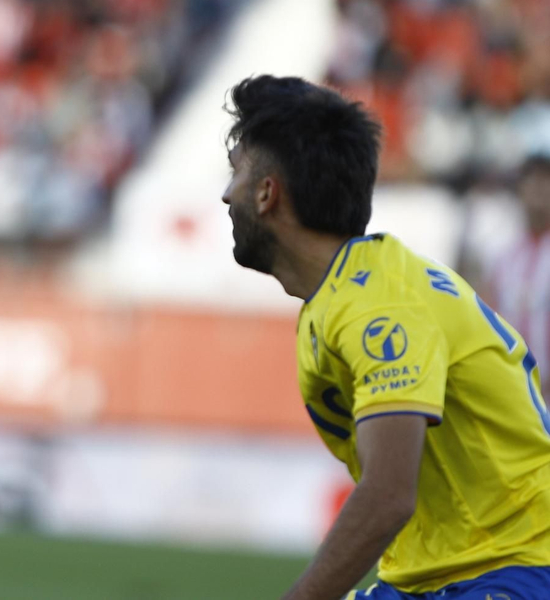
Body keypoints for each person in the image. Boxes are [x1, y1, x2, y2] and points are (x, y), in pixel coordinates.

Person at [222, 74, 550, 600]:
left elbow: (389, 494)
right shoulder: (337, 299)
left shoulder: (378, 307)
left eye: (235, 173)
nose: (224, 194)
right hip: (437, 571)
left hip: (518, 565)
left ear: (267, 193)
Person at [489, 154, 550, 384]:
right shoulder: (503, 257)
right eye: (532, 182)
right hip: (517, 394)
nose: (539, 190)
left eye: (546, 182)